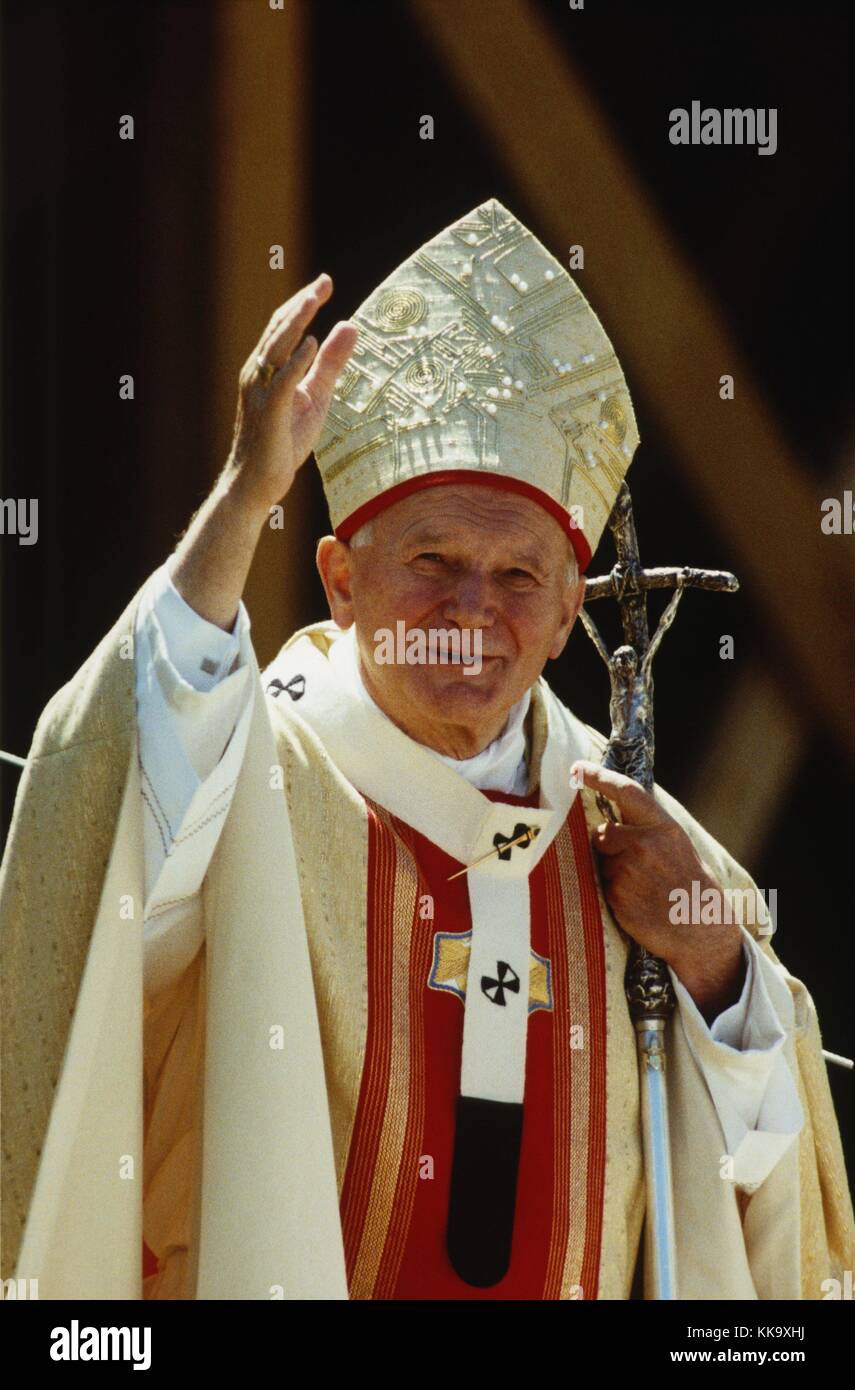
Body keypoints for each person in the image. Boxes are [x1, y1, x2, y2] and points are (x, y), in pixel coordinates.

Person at [2, 199, 852, 1301]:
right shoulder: (250, 777)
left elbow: (773, 1221)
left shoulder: (643, 849)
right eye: (432, 559)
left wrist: (714, 966)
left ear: (565, 617)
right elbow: (107, 793)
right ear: (342, 581)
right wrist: (244, 494)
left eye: (518, 577)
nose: (471, 611)